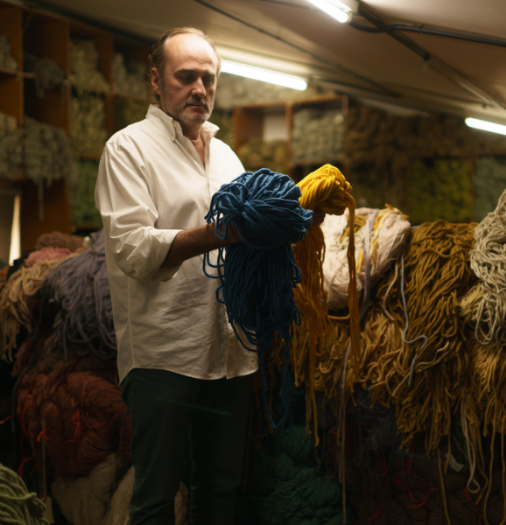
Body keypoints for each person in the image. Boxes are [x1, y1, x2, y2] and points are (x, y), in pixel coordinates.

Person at [95, 27, 323, 525]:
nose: (200, 89)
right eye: (186, 77)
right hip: (163, 354)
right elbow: (133, 249)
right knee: (154, 497)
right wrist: (224, 233)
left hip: (230, 354)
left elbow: (251, 246)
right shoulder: (127, 149)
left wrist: (292, 223)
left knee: (221, 489)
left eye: (209, 79)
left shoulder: (227, 157)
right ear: (156, 82)